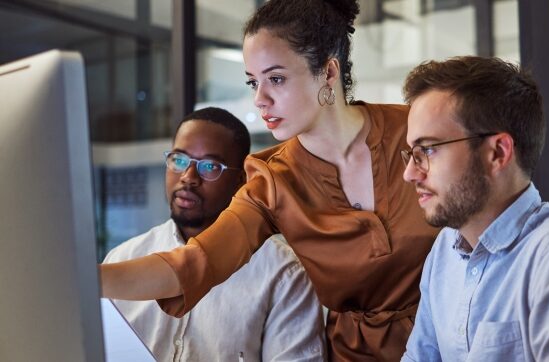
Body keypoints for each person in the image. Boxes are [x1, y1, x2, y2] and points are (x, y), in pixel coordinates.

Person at [101, 0, 439, 360]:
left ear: (328, 72)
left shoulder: (416, 131)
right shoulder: (272, 181)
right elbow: (194, 263)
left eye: (275, 79)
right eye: (253, 82)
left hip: (457, 342)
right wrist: (87, 280)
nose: (260, 100)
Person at [399, 56, 549, 361]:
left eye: (428, 149)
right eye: (411, 153)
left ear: (498, 152)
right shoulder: (444, 250)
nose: (410, 173)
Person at [103, 107, 326, 361]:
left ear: (242, 180)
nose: (188, 177)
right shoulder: (122, 259)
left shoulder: (283, 273)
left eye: (209, 166)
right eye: (179, 160)